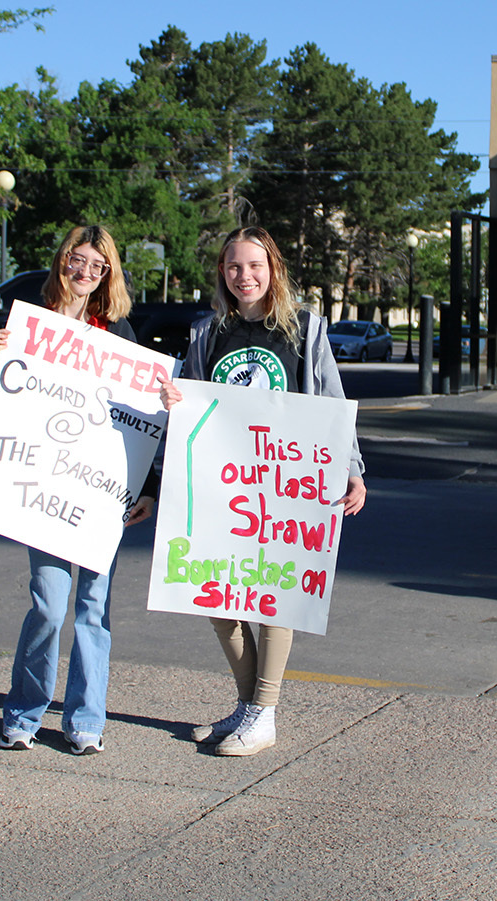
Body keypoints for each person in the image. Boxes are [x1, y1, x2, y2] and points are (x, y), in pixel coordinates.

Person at [160, 225, 366, 757]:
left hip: (285, 485)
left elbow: (332, 405)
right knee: (217, 592)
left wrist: (352, 469)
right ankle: (247, 704)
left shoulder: (306, 331)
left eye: (254, 265)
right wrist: (172, 401)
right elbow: (191, 407)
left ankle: (264, 713)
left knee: (274, 597)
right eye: (233, 266)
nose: (243, 276)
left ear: (272, 268)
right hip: (223, 485)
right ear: (222, 273)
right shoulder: (208, 333)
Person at [0, 225, 156, 756]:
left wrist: (146, 486)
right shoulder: (28, 326)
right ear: (61, 261)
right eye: (76, 261)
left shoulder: (118, 336)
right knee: (50, 606)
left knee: (94, 607)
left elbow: (141, 418)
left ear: (109, 275)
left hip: (102, 492)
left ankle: (85, 718)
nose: (85, 272)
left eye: (97, 266)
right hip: (44, 486)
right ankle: (24, 710)